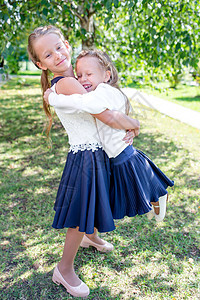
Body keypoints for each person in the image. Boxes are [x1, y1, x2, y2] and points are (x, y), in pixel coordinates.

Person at [28, 25, 140, 298]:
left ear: (66, 43)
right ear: (39, 64)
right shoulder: (67, 83)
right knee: (80, 213)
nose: (56, 55)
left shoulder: (76, 77)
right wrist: (134, 124)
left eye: (58, 47)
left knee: (96, 200)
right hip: (85, 156)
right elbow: (106, 115)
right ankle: (64, 269)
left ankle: (91, 237)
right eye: (47, 54)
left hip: (94, 151)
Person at [44, 49, 174, 224]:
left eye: (88, 74)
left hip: (123, 155)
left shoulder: (103, 91)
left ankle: (160, 196)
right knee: (134, 189)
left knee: (139, 187)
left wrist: (53, 99)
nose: (82, 80)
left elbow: (84, 103)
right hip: (117, 154)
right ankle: (155, 200)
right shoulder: (99, 91)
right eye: (79, 75)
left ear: (106, 75)